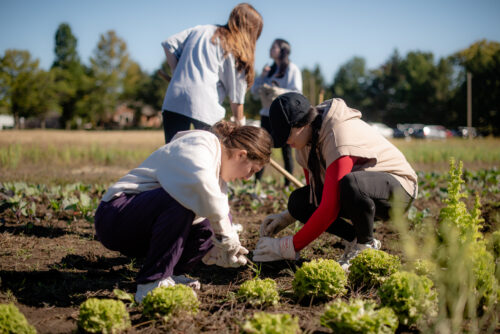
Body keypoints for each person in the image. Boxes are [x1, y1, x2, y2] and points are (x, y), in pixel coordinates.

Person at [94, 121, 272, 302]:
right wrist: (226, 234)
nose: (247, 178)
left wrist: (219, 249)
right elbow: (198, 183)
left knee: (220, 218)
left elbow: (218, 214)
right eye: (252, 170)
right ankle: (151, 282)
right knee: (185, 201)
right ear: (241, 155)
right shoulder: (202, 143)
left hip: (141, 227)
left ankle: (173, 273)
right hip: (115, 217)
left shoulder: (219, 177)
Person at [253, 93, 417, 270]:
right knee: (299, 201)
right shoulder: (303, 144)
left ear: (303, 124)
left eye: (287, 134)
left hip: (398, 190)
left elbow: (330, 207)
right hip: (360, 193)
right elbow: (315, 195)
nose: (286, 141)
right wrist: (288, 216)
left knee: (351, 183)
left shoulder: (338, 134)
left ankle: (365, 245)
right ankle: (355, 238)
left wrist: (287, 247)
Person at [160, 3, 263, 143]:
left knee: (173, 155)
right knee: (206, 158)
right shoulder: (236, 48)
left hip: (175, 100)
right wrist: (239, 127)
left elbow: (169, 44)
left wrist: (176, 72)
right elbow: (237, 98)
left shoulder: (202, 29)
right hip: (204, 108)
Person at [251, 39, 302, 186]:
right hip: (266, 114)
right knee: (262, 148)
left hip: (282, 115)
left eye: (274, 47)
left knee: (286, 149)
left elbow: (297, 92)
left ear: (283, 50)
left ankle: (288, 184)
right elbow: (254, 91)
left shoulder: (292, 69)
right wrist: (261, 77)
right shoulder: (269, 70)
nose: (270, 49)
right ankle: (257, 183)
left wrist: (278, 92)